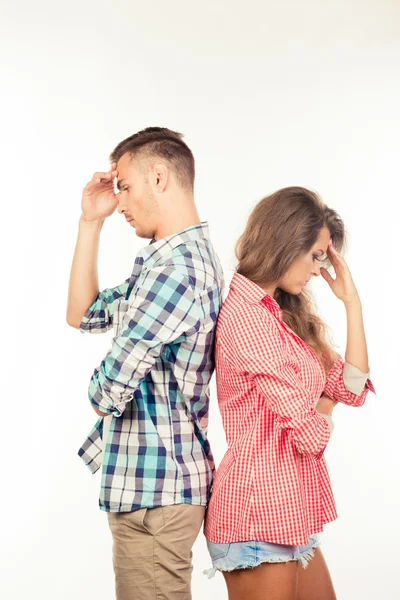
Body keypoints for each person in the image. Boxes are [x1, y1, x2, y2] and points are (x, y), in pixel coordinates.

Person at [67, 127, 224, 600]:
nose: (120, 203)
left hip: (156, 490)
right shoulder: (168, 264)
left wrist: (103, 384)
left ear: (159, 177)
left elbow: (105, 392)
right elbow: (83, 313)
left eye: (126, 186)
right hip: (153, 486)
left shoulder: (177, 273)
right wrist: (89, 222)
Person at [204, 186, 375, 600]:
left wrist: (352, 303)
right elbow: (310, 435)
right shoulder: (247, 318)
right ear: (285, 243)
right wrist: (324, 401)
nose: (320, 269)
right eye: (315, 256)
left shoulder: (281, 314)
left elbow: (351, 389)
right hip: (256, 513)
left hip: (288, 511)